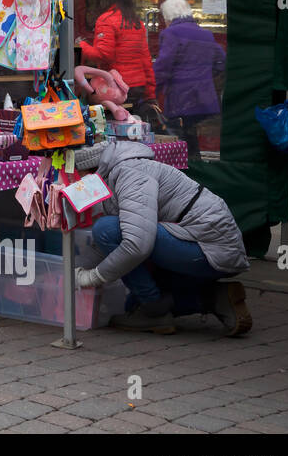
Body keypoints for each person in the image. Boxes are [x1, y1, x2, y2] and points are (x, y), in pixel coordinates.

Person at [73, 140, 251, 336]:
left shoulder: (130, 174)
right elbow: (108, 243)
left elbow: (135, 244)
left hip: (210, 249)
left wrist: (93, 277)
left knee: (106, 229)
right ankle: (215, 298)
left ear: (91, 171)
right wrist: (72, 271)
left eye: (79, 179)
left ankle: (154, 310)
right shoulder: (122, 170)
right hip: (202, 243)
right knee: (132, 304)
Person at [154, 0, 226, 161]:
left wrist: (152, 91)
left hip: (182, 97)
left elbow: (163, 67)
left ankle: (187, 172)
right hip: (204, 98)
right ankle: (196, 167)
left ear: (168, 16)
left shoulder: (171, 33)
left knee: (181, 138)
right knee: (191, 137)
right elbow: (221, 62)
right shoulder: (206, 34)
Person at [79, 0, 155, 104]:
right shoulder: (136, 22)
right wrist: (150, 93)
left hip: (116, 87)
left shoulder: (106, 20)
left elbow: (102, 55)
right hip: (138, 86)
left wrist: (81, 45)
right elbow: (145, 59)